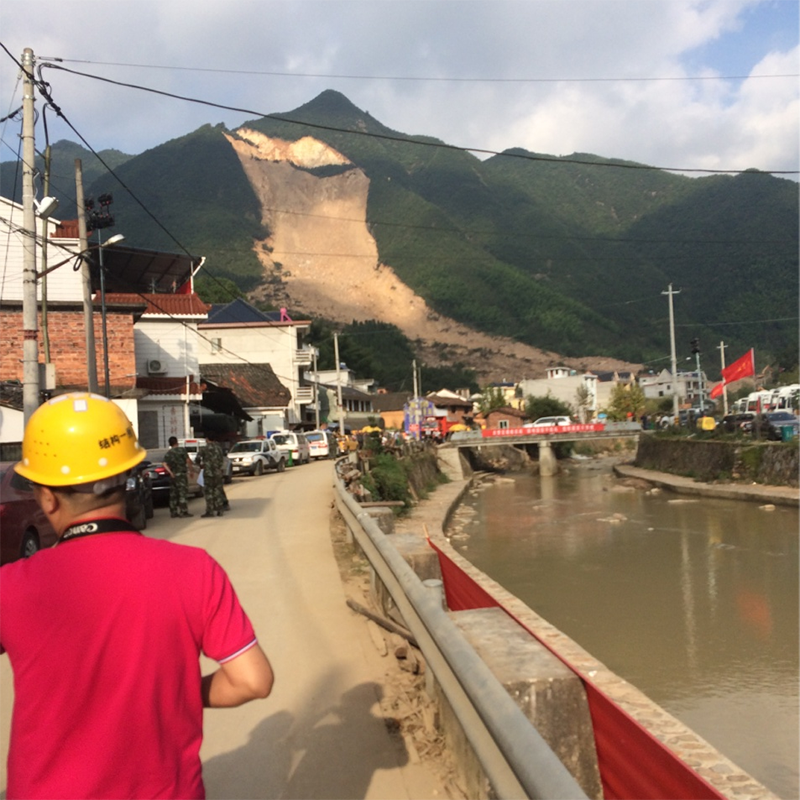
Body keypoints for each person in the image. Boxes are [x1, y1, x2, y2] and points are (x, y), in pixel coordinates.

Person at [0, 392, 273, 799]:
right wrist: (179, 693)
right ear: (129, 481)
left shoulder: (11, 586)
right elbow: (253, 681)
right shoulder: (195, 570)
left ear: (47, 496)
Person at [165, 434, 193, 518]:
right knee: (182, 493)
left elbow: (164, 463)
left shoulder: (168, 453)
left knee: (173, 494)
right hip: (181, 475)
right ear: (176, 442)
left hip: (173, 475)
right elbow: (188, 461)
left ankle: (173, 512)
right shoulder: (182, 450)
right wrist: (191, 470)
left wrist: (170, 472)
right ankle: (183, 511)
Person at [197, 435, 226, 517]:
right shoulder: (219, 448)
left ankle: (210, 511)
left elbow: (197, 459)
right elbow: (222, 459)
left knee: (209, 492)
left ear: (207, 439)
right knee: (218, 491)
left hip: (208, 473)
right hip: (217, 472)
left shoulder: (203, 449)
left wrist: (200, 465)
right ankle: (220, 510)